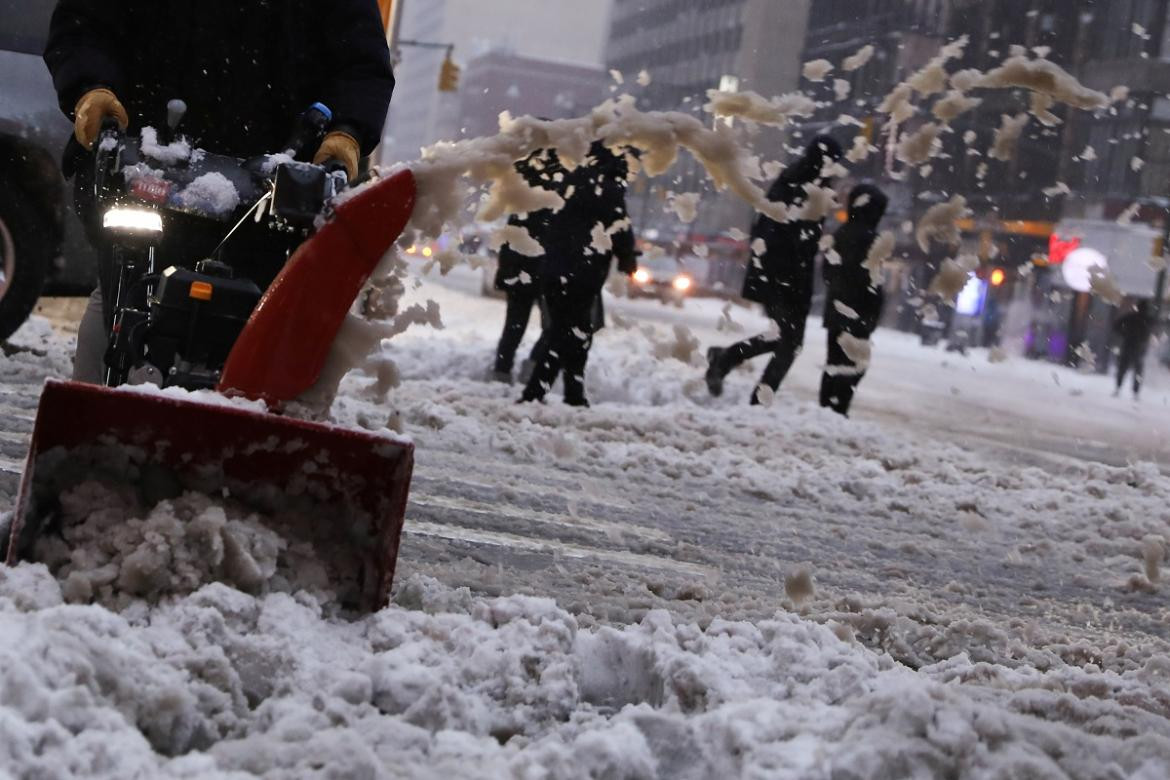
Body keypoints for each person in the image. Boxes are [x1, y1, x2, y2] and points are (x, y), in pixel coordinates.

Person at [43, 0, 395, 382]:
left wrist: (348, 131)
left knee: (269, 326)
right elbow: (84, 23)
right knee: (121, 296)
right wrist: (91, 88)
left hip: (272, 188)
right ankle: (94, 407)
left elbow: (361, 65)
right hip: (146, 160)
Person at [705, 135, 844, 404]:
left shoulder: (798, 179)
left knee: (783, 338)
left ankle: (727, 360)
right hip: (786, 275)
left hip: (784, 274)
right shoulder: (804, 184)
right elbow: (786, 233)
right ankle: (756, 396)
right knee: (789, 342)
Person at [519, 142, 637, 407]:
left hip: (554, 269)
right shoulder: (608, 186)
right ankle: (537, 392)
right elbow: (619, 224)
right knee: (570, 333)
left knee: (572, 330)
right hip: (583, 273)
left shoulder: (570, 178)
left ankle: (572, 392)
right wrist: (627, 257)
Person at [820, 184, 888, 416]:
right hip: (860, 312)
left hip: (837, 308)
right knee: (855, 364)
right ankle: (837, 407)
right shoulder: (871, 239)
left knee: (835, 360)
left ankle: (828, 406)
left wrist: (839, 290)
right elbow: (872, 279)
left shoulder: (841, 233)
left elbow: (827, 271)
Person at [488, 151, 553, 384]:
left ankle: (502, 371)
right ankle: (532, 367)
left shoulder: (519, 178)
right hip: (545, 266)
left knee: (514, 325)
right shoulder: (558, 182)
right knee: (553, 326)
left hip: (518, 265)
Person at [1113, 299, 1153, 399]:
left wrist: (1124, 334)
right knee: (1137, 371)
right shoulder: (1147, 319)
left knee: (1123, 368)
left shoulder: (1131, 317)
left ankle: (1118, 387)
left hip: (1129, 344)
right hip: (1139, 347)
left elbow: (1116, 325)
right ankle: (1135, 392)